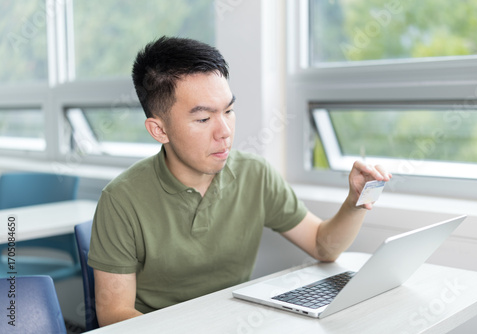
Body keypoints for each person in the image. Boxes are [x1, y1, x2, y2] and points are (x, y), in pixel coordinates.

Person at [87, 36, 392, 327]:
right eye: (204, 119)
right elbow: (114, 314)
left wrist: (355, 202)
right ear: (159, 130)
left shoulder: (255, 174)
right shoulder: (121, 199)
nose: (225, 131)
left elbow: (323, 246)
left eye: (229, 110)